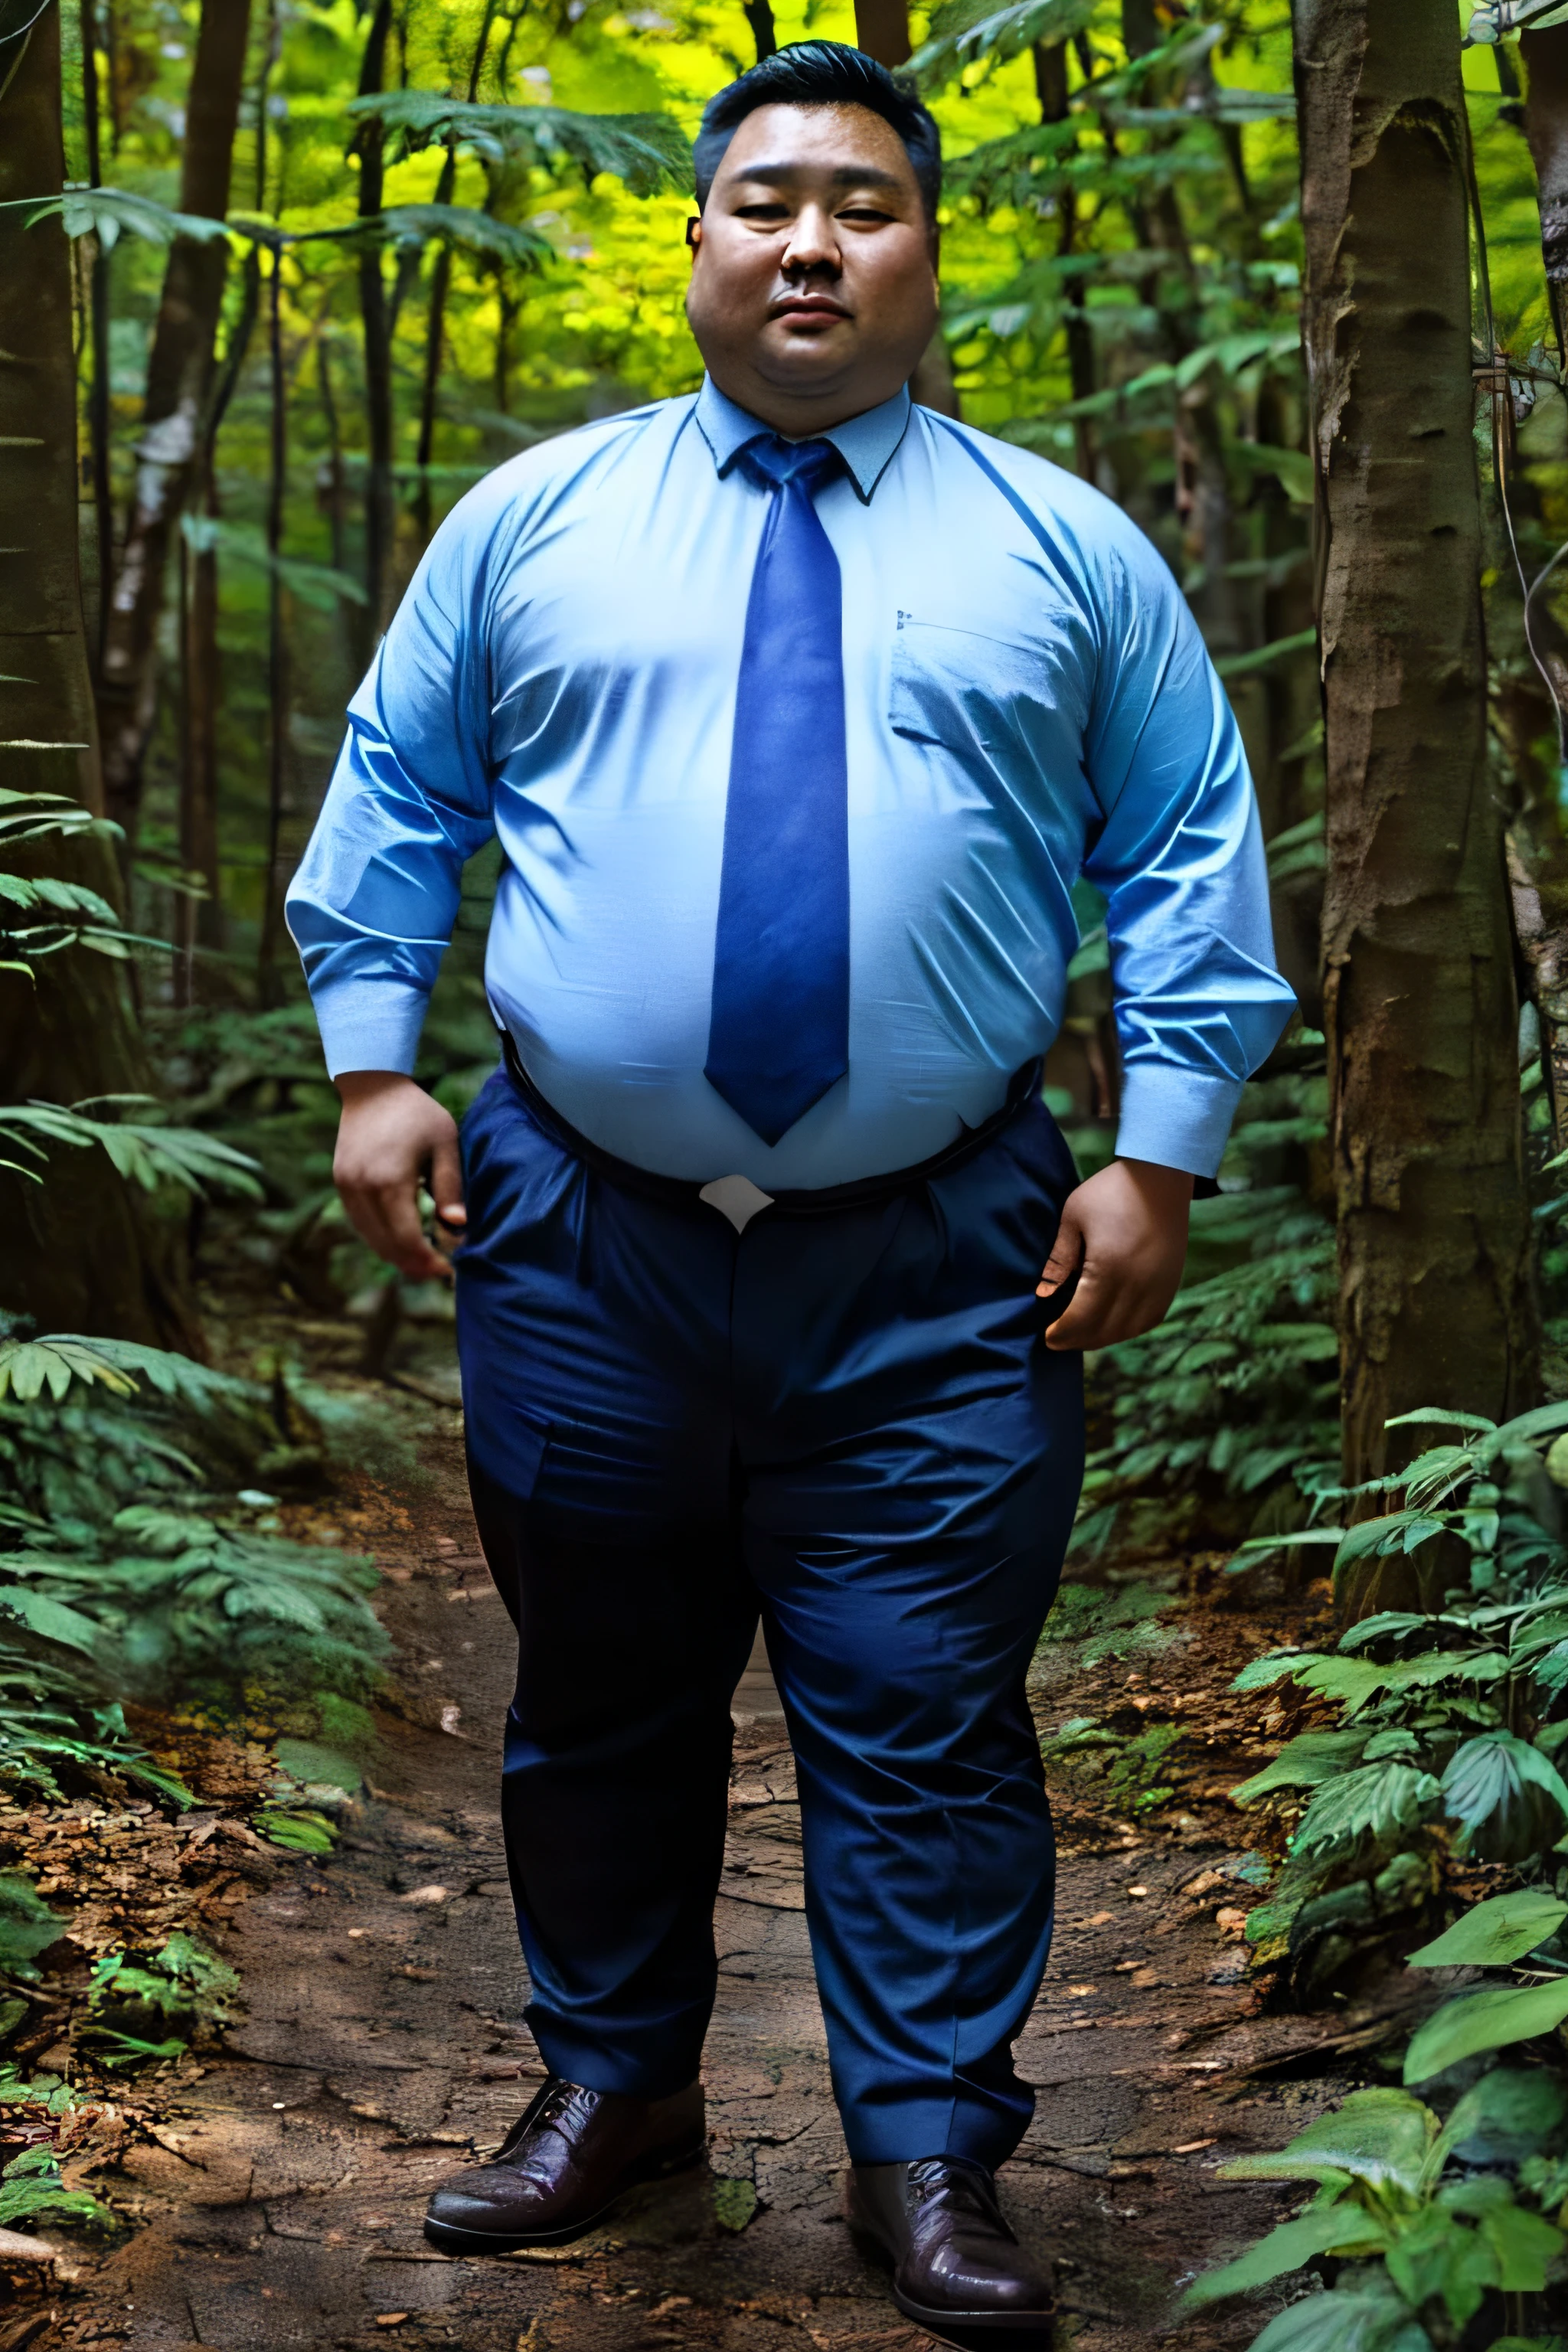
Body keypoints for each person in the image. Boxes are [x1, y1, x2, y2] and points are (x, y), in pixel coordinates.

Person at [286, 38, 1294, 2344]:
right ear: (703, 243)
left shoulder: (1066, 547)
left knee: (925, 1697)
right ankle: (618, 2092)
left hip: (947, 1246)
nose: (814, 238)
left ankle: (928, 2149)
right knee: (603, 1689)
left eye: (865, 201)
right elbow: (397, 799)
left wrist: (1164, 1156)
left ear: (931, 251)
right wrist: (371, 1075)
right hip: (578, 1226)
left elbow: (1185, 854)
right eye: (768, 201)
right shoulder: (533, 518)